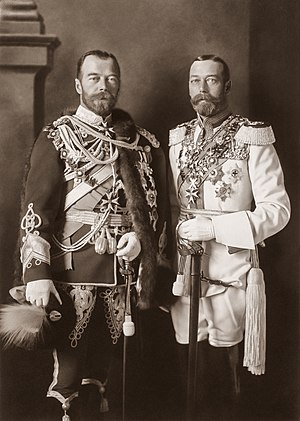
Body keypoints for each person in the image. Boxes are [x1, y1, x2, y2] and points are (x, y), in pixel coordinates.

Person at [6, 50, 171, 421]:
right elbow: (36, 211)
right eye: (94, 78)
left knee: (105, 376)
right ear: (79, 84)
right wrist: (37, 273)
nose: (104, 85)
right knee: (67, 378)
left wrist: (140, 239)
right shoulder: (58, 136)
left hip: (122, 275)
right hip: (71, 272)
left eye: (111, 78)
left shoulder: (139, 141)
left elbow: (152, 204)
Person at [168, 54, 290, 417]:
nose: (202, 89)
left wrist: (216, 228)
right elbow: (173, 207)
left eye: (212, 80)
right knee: (188, 367)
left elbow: (277, 211)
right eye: (194, 81)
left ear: (228, 86)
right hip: (183, 271)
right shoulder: (178, 138)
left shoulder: (252, 137)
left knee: (225, 368)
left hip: (231, 271)